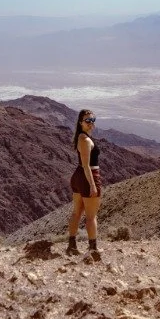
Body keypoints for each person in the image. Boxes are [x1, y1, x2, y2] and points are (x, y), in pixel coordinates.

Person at [68, 109, 102, 260]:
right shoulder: (86, 140)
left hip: (77, 177)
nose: (91, 123)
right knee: (91, 216)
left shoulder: (80, 137)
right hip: (88, 176)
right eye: (88, 121)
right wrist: (93, 185)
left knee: (77, 213)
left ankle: (72, 245)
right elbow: (87, 165)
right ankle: (93, 249)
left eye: (93, 120)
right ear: (81, 122)